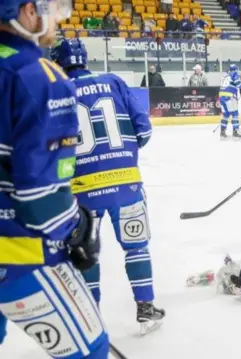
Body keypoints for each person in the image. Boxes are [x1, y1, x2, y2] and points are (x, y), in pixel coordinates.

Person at [0, 0, 109, 357]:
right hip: (18, 256)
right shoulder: (38, 75)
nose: (57, 20)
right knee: (91, 350)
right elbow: (41, 199)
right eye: (54, 9)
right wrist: (77, 229)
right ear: (28, 12)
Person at [50, 38, 165, 334]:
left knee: (86, 252)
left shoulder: (55, 92)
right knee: (136, 247)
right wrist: (121, 158)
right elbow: (145, 130)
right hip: (125, 184)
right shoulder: (114, 80)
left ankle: (92, 318)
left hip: (81, 191)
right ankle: (145, 308)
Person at [219, 64, 241, 138]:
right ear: (236, 70)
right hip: (229, 97)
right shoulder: (234, 73)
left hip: (221, 97)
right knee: (235, 114)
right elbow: (237, 82)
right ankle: (235, 131)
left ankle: (222, 132)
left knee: (225, 115)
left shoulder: (225, 76)